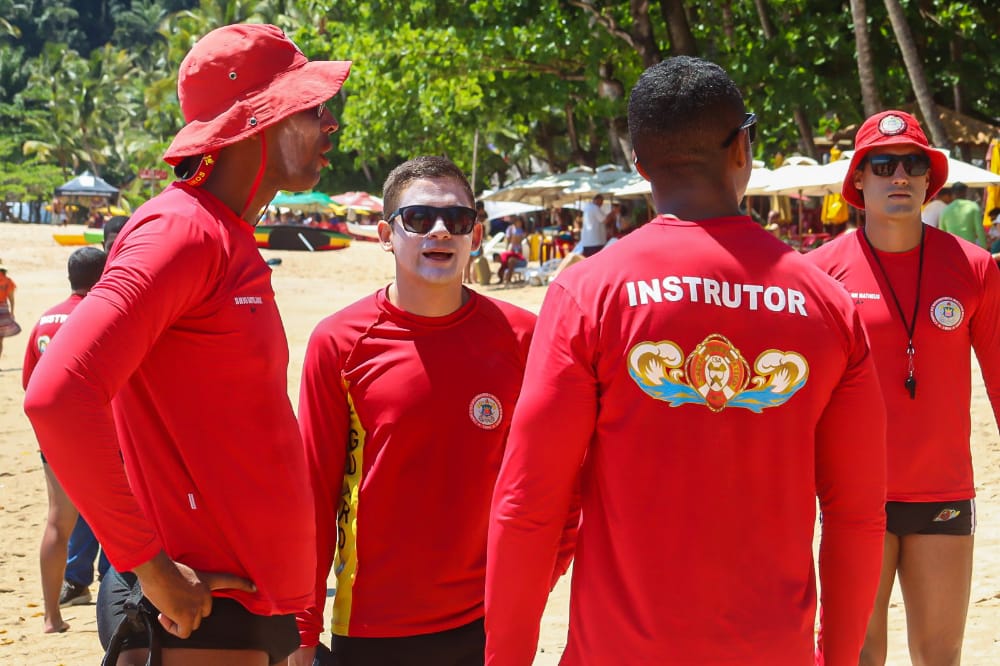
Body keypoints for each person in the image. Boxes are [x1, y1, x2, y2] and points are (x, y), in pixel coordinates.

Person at [485, 55, 887, 666]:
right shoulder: (826, 303)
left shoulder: (589, 292)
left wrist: (505, 658)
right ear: (741, 149)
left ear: (639, 164)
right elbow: (856, 516)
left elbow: (528, 505)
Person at [23, 23, 351, 666]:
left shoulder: (221, 235)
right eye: (313, 110)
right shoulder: (180, 231)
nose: (329, 125)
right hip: (204, 617)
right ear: (258, 122)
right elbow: (58, 396)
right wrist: (150, 567)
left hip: (252, 610)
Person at [288, 156, 535, 666]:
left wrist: (531, 584)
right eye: (419, 219)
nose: (440, 231)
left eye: (457, 220)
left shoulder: (524, 338)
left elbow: (554, 483)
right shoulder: (339, 343)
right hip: (372, 624)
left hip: (489, 621)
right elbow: (313, 492)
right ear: (385, 233)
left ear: (476, 234)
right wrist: (302, 627)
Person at [807, 110, 1000, 666]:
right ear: (858, 182)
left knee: (940, 656)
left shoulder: (974, 267)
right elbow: (797, 399)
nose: (900, 176)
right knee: (856, 655)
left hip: (942, 494)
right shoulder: (820, 274)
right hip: (852, 497)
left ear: (928, 180)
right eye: (883, 164)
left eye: (913, 164)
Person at [22, 246, 107, 633]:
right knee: (124, 517)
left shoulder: (45, 319)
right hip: (100, 434)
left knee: (59, 521)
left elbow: (30, 383)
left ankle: (52, 617)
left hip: (54, 437)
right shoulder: (100, 315)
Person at [939, 182, 986, 248]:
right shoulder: (973, 207)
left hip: (952, 248)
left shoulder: (945, 210)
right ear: (965, 192)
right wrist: (985, 247)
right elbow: (979, 230)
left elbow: (941, 234)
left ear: (952, 194)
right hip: (969, 248)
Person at [0, 261, 20, 364]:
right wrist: (12, 312)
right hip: (3, 311)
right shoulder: (8, 281)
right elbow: (11, 298)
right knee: (0, 340)